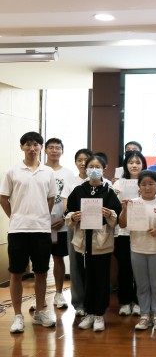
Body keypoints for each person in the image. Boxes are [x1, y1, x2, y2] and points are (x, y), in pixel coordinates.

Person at [0, 132, 58, 334]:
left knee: (41, 272)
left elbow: (50, 199)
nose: (32, 148)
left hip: (41, 229)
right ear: (22, 147)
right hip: (18, 229)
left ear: (41, 148)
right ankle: (18, 316)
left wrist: (41, 216)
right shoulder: (12, 171)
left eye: (36, 145)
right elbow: (3, 198)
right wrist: (15, 216)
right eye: (28, 144)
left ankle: (40, 312)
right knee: (16, 272)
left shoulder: (48, 172)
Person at [65, 154, 122, 332]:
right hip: (83, 241)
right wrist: (73, 217)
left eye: (98, 167)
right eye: (91, 166)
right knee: (86, 277)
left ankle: (99, 314)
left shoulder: (109, 191)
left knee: (101, 278)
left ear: (104, 169)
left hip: (101, 242)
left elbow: (117, 217)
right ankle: (89, 312)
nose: (94, 170)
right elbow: (68, 212)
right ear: (86, 168)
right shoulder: (78, 190)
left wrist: (109, 214)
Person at [119, 170, 156, 330]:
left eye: (151, 184)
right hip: (137, 248)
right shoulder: (133, 203)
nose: (147, 187)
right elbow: (122, 224)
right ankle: (144, 315)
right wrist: (124, 209)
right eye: (144, 184)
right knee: (141, 284)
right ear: (139, 186)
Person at [113, 150, 147, 316]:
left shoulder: (147, 183)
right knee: (124, 268)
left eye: (138, 162)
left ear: (143, 165)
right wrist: (116, 195)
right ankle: (125, 302)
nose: (134, 165)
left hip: (142, 231)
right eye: (131, 162)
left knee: (140, 270)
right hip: (123, 232)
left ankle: (139, 301)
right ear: (125, 165)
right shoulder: (118, 184)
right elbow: (113, 208)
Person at [62, 148, 94, 317]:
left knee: (93, 266)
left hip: (96, 229)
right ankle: (78, 303)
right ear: (75, 162)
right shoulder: (70, 182)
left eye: (86, 160)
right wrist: (75, 215)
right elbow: (66, 206)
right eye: (79, 160)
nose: (83, 163)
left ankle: (92, 302)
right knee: (75, 265)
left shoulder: (100, 182)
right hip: (75, 227)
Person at [43, 138, 75, 311]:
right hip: (40, 224)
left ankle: (58, 293)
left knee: (58, 258)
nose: (54, 150)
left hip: (60, 224)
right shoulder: (40, 170)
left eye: (58, 148)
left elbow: (71, 199)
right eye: (51, 147)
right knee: (40, 259)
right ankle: (40, 295)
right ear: (45, 150)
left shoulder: (68, 174)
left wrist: (64, 218)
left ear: (62, 151)